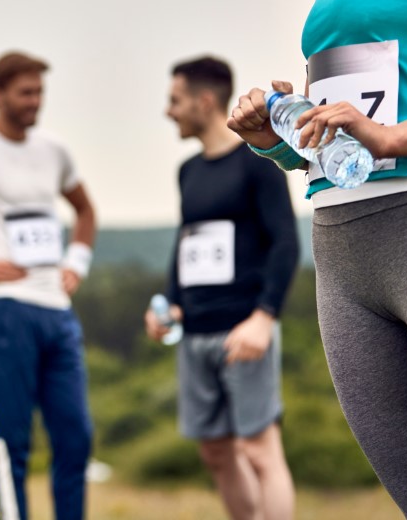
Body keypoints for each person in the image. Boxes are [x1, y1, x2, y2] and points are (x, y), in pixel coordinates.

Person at [228, 0, 407, 516]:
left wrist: (393, 138)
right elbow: (343, 138)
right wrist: (274, 140)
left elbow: (383, 132)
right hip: (342, 251)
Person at [0, 51, 96, 520]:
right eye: (25, 92)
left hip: (57, 308)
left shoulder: (54, 149)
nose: (35, 101)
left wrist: (77, 262)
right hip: (5, 307)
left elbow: (85, 210)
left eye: (39, 92)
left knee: (76, 436)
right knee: (12, 437)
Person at [145, 56, 298, 520]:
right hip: (194, 334)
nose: (168, 111)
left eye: (175, 101)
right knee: (215, 452)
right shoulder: (188, 172)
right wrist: (168, 302)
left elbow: (286, 243)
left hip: (244, 331)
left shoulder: (257, 163)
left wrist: (264, 317)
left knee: (258, 449)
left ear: (204, 100)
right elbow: (186, 242)